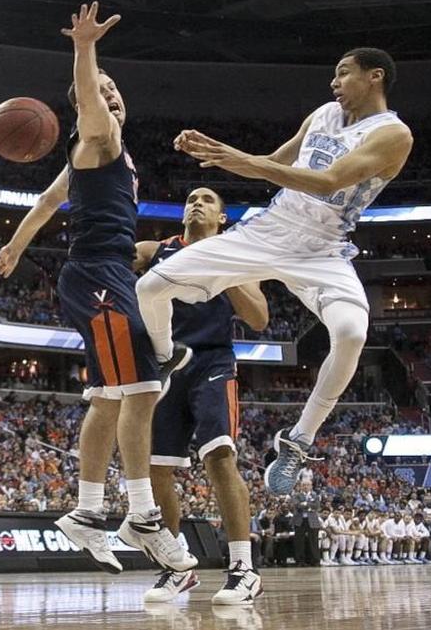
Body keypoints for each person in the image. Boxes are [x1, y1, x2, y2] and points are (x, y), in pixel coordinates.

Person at [134, 48, 414, 496]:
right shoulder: (323, 114)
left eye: (343, 73)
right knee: (150, 286)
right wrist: (222, 155)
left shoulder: (393, 134)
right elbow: (278, 165)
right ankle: (167, 356)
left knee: (351, 334)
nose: (333, 82)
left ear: (374, 76)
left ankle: (298, 439)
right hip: (268, 231)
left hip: (323, 249)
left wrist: (233, 157)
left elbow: (327, 182)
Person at [0, 2, 193, 574]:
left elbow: (48, 200)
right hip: (97, 277)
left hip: (107, 276)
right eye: (100, 90)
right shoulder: (96, 138)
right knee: (140, 389)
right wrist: (85, 49)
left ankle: (85, 513)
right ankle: (140, 514)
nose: (109, 95)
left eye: (115, 88)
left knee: (113, 397)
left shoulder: (113, 154)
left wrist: (17, 244)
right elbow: (85, 98)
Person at [134, 188, 268, 605]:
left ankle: (243, 569)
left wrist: (221, 267)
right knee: (157, 469)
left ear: (222, 218)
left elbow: (259, 318)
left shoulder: (237, 254)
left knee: (219, 456)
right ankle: (177, 568)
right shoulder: (152, 250)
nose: (197, 202)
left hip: (212, 362)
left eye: (208, 199)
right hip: (165, 364)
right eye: (191, 198)